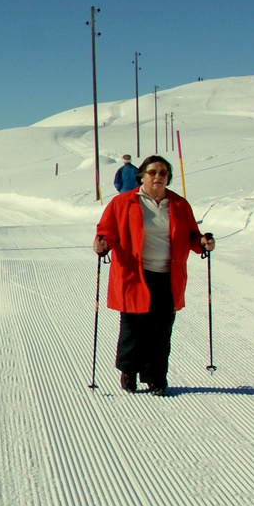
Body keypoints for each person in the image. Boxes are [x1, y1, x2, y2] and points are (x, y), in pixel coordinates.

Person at [92, 155, 214, 395]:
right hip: (133, 274)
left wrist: (202, 242)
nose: (158, 176)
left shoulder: (179, 204)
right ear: (142, 176)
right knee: (133, 327)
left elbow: (192, 235)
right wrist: (103, 243)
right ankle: (129, 370)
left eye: (163, 173)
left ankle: (156, 378)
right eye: (153, 172)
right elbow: (108, 230)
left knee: (161, 330)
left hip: (168, 275)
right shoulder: (122, 203)